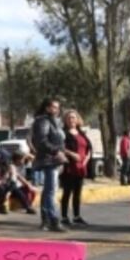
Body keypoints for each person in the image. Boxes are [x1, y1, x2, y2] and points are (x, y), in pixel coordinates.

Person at [31, 98, 66, 232]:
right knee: (51, 191)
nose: (56, 110)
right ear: (46, 108)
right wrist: (56, 151)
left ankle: (46, 220)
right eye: (53, 107)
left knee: (48, 191)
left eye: (57, 107)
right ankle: (53, 220)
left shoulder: (53, 122)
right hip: (48, 160)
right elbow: (42, 141)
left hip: (54, 160)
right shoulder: (43, 121)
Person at [59, 110, 92, 226]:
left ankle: (77, 216)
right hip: (69, 167)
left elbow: (89, 149)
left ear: (77, 119)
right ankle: (64, 217)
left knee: (78, 193)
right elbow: (60, 147)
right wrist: (72, 154)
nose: (71, 120)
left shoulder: (82, 133)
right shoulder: (63, 133)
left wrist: (86, 160)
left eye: (73, 118)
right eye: (69, 118)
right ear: (65, 120)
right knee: (67, 192)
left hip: (81, 167)